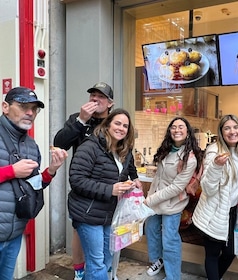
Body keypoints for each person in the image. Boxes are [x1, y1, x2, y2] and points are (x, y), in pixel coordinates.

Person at [54, 82, 140, 280]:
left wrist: (133, 179)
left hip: (108, 204)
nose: (95, 99)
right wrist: (81, 120)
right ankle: (80, 271)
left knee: (103, 252)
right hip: (87, 197)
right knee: (82, 237)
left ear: (110, 103)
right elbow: (59, 143)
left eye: (101, 96)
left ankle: (100, 272)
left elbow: (127, 158)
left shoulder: (118, 134)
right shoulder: (80, 122)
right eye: (92, 95)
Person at [0, 86, 68, 279]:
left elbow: (33, 185)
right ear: (5, 107)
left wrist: (51, 170)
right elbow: (15, 174)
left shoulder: (31, 145)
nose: (30, 113)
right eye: (23, 106)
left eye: (34, 108)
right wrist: (11, 171)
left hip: (14, 235)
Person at [192, 114, 238, 280]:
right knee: (212, 254)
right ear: (221, 132)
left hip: (233, 212)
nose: (232, 131)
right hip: (214, 213)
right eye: (227, 128)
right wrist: (216, 166)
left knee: (231, 252)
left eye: (235, 127)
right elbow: (208, 189)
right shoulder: (213, 151)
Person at [144, 117, 203, 280]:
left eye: (181, 127)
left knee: (170, 239)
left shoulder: (189, 158)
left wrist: (150, 200)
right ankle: (159, 260)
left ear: (187, 131)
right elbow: (158, 177)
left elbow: (176, 188)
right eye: (173, 127)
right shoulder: (166, 149)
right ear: (169, 131)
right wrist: (149, 197)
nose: (177, 130)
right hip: (156, 201)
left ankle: (173, 276)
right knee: (150, 229)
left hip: (172, 203)